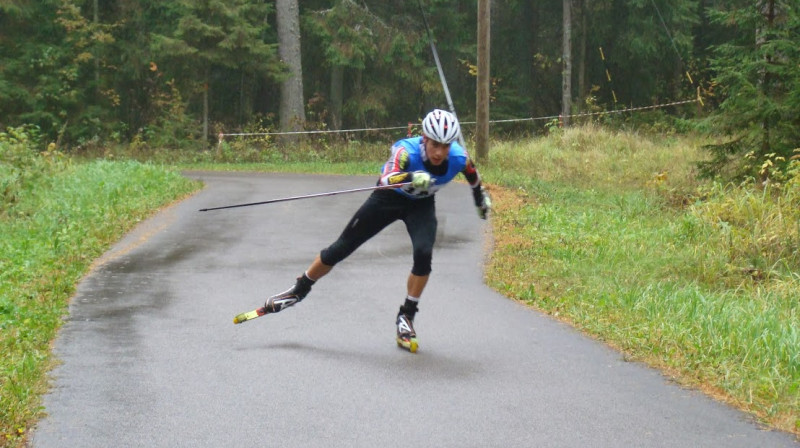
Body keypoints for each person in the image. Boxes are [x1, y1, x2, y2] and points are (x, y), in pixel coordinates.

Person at [261, 109, 491, 353]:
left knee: (424, 255)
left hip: (421, 206)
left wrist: (479, 197)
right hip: (387, 199)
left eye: (445, 146)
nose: (439, 152)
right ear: (424, 138)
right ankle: (299, 290)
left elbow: (472, 173)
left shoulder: (458, 157)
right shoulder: (406, 150)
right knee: (341, 248)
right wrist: (411, 175)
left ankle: (406, 317)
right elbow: (387, 177)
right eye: (435, 144)